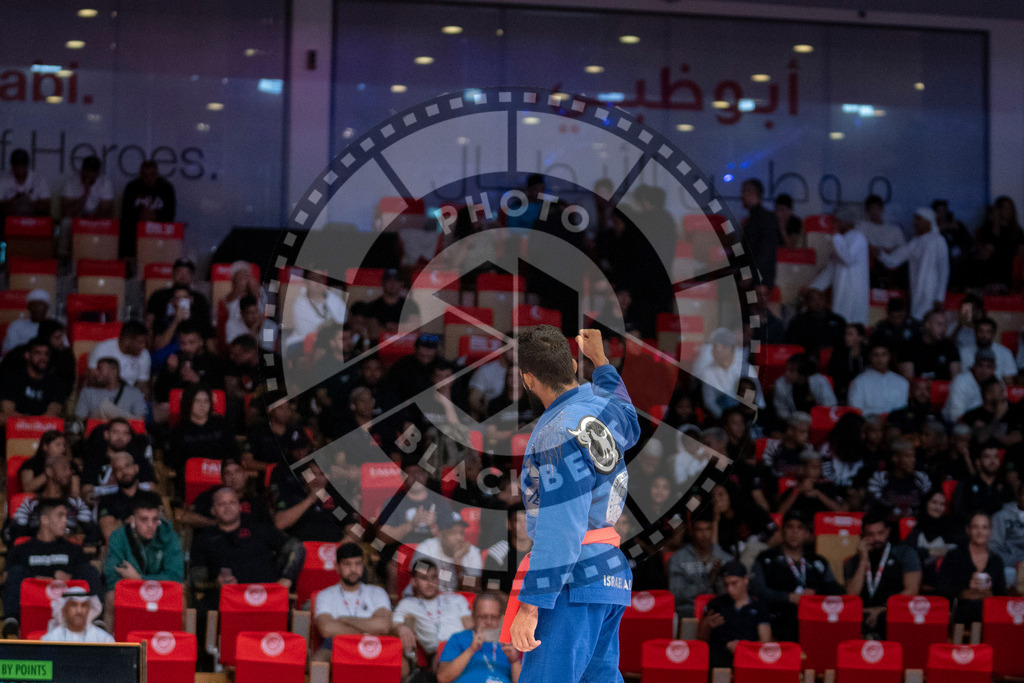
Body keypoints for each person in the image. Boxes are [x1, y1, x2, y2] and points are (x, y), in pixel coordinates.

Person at [502, 326, 640, 683]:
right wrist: (602, 362)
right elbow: (630, 420)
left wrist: (531, 606)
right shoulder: (598, 405)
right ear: (573, 363)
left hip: (573, 577)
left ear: (528, 379)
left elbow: (562, 528)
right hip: (609, 571)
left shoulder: (556, 433)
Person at [1, 499, 102, 636]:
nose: (65, 521)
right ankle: (12, 619)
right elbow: (9, 579)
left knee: (90, 570)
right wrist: (38, 580)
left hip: (66, 604)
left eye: (66, 516)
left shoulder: (74, 550)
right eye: (60, 515)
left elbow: (84, 577)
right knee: (15, 571)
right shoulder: (20, 550)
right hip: (32, 604)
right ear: (45, 520)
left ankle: (96, 619)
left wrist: (69, 579)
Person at [188, 488, 305, 592]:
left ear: (240, 507)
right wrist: (216, 585)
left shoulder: (259, 528)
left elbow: (296, 546)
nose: (227, 507)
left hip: (267, 601)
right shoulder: (203, 539)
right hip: (227, 604)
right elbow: (195, 581)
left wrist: (286, 578)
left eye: (232, 502)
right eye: (221, 504)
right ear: (213, 510)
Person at [750, 511, 842, 642]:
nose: (794, 532)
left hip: (815, 617)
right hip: (779, 617)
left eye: (800, 527)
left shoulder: (818, 561)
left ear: (806, 534)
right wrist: (788, 597)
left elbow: (835, 589)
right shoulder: (766, 559)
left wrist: (815, 595)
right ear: (783, 531)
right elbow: (757, 590)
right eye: (790, 527)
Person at [103, 491, 184, 623]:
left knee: (181, 599)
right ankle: (112, 643)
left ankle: (178, 643)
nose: (150, 525)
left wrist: (139, 578)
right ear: (132, 519)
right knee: (111, 597)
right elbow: (112, 578)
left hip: (161, 591)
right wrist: (136, 585)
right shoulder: (118, 537)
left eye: (155, 519)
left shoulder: (169, 535)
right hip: (130, 591)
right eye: (144, 519)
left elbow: (176, 577)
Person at [311, 543, 393, 662]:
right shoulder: (325, 595)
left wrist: (344, 620)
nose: (353, 569)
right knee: (318, 661)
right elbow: (326, 629)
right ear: (338, 567)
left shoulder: (377, 592)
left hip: (372, 644)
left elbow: (383, 626)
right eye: (347, 564)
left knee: (402, 665)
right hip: (335, 644)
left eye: (358, 564)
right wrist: (367, 628)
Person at [843, 512, 921, 638]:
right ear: (862, 536)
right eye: (871, 535)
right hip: (863, 613)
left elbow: (912, 590)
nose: (877, 539)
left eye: (881, 533)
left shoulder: (905, 553)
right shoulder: (854, 561)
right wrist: (863, 559)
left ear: (888, 532)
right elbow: (851, 595)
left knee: (888, 619)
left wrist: (882, 609)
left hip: (893, 612)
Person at [393, 559, 473, 664]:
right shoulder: (407, 604)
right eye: (423, 578)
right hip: (438, 654)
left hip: (465, 647)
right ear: (414, 581)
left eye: (433, 577)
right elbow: (393, 625)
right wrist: (400, 628)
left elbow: (469, 625)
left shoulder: (456, 599)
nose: (430, 583)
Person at [877, 208, 949, 321]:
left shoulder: (938, 240)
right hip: (916, 291)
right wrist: (879, 253)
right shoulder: (914, 243)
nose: (915, 223)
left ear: (928, 221)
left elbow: (944, 270)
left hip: (932, 291)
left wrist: (939, 297)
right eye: (915, 220)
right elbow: (893, 260)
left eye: (918, 220)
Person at [698, 561, 772, 669]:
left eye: (734, 583)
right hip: (719, 658)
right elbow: (701, 641)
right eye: (726, 584)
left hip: (749, 657)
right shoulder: (715, 604)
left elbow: (765, 641)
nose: (729, 589)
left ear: (745, 580)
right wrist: (707, 626)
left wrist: (743, 647)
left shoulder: (759, 606)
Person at [8, 449, 94, 543]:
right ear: (49, 471)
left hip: (67, 552)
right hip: (37, 553)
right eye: (64, 468)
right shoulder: (31, 504)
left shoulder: (75, 503)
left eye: (69, 469)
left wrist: (82, 537)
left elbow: (94, 534)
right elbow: (12, 534)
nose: (69, 473)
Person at [937, 512, 1006, 625]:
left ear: (990, 531)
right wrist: (965, 590)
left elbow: (1001, 594)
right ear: (968, 530)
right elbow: (942, 588)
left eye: (984, 527)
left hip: (989, 612)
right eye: (975, 527)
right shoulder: (954, 556)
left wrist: (989, 591)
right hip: (960, 610)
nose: (980, 532)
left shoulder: (996, 561)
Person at [439, 593, 522, 683]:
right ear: (473, 616)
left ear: (500, 618)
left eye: (493, 617)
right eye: (483, 617)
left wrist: (514, 661)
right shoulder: (458, 639)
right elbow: (443, 678)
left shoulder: (508, 644)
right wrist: (471, 650)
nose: (488, 622)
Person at [669, 512, 734, 618]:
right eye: (699, 530)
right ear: (692, 531)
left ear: (713, 530)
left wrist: (717, 579)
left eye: (708, 529)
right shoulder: (678, 559)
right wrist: (707, 581)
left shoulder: (726, 559)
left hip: (721, 613)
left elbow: (733, 595)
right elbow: (676, 595)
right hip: (689, 613)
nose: (704, 534)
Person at [809, 214, 870, 325]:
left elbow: (848, 258)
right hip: (840, 293)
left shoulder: (858, 237)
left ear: (849, 222)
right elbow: (831, 270)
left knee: (853, 326)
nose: (835, 223)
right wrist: (814, 288)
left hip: (854, 294)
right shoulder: (840, 239)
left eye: (838, 220)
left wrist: (836, 236)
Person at [165, 384, 237, 475]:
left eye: (206, 401)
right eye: (197, 401)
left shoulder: (221, 425)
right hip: (192, 476)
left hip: (221, 475)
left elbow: (233, 451)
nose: (202, 405)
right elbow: (173, 461)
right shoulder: (179, 431)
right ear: (189, 402)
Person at [184, 456, 271, 530]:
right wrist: (214, 523)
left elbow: (268, 527)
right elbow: (187, 517)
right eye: (228, 473)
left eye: (237, 471)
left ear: (245, 475)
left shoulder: (257, 501)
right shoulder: (209, 496)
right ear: (222, 479)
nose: (233, 477)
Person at [0, 337, 68, 426]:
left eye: (46, 354)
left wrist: (31, 423)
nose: (43, 357)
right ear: (27, 355)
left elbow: (53, 413)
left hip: (44, 430)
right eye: (38, 353)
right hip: (15, 427)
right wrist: (29, 422)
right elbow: (8, 411)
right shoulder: (13, 379)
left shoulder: (55, 382)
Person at [413, 510, 484, 593]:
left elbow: (472, 589)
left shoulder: (472, 552)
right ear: (440, 535)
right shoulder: (425, 549)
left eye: (461, 533)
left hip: (456, 601)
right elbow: (420, 584)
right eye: (453, 533)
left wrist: (458, 563)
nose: (459, 538)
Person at [904, 490, 960, 591]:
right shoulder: (919, 527)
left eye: (942, 504)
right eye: (934, 502)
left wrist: (946, 552)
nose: (938, 507)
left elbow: (961, 548)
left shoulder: (951, 526)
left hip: (946, 580)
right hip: (921, 579)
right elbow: (906, 549)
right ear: (926, 503)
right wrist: (929, 552)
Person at [145, 258, 212, 341]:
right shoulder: (158, 296)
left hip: (193, 345)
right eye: (179, 272)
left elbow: (207, 329)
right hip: (163, 344)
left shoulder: (200, 299)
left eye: (187, 273)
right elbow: (149, 323)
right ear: (173, 274)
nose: (183, 276)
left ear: (192, 277)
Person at [120, 159, 175, 258]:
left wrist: (154, 216)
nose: (148, 178)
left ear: (157, 174)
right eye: (145, 175)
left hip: (159, 234)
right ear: (141, 174)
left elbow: (170, 215)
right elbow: (126, 214)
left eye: (152, 175)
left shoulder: (166, 188)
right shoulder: (132, 187)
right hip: (135, 234)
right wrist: (141, 216)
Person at [866, 439, 933, 519]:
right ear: (895, 458)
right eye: (908, 456)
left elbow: (929, 505)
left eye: (913, 456)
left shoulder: (921, 478)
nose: (913, 460)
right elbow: (872, 506)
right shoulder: (880, 478)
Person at [96, 451, 156, 540]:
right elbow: (108, 533)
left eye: (127, 466)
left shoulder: (150, 498)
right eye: (118, 469)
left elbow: (162, 528)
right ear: (113, 474)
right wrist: (129, 521)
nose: (124, 471)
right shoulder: (107, 501)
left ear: (136, 468)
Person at [285, 269, 347, 348]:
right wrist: (325, 327)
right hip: (303, 342)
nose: (318, 281)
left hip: (333, 342)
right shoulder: (299, 304)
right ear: (306, 282)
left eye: (321, 278)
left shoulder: (336, 301)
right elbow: (305, 332)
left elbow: (342, 326)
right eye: (313, 278)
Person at [87, 320, 151, 393]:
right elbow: (91, 380)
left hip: (129, 396)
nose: (143, 346)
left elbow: (142, 384)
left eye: (144, 342)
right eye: (140, 342)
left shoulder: (144, 354)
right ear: (127, 340)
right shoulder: (102, 349)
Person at [75, 357, 147, 420]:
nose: (96, 372)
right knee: (103, 407)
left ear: (113, 371)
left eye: (99, 369)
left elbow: (140, 422)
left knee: (105, 407)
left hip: (125, 432)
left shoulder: (133, 393)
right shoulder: (87, 392)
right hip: (98, 432)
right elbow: (80, 419)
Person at [740, 178, 780, 290]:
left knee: (756, 307)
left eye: (744, 192)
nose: (742, 196)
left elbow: (765, 252)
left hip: (760, 281)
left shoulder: (767, 218)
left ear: (752, 193)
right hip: (753, 278)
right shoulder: (751, 219)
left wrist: (750, 275)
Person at [848, 344, 910, 416]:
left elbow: (902, 409)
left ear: (889, 356)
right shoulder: (859, 382)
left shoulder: (902, 382)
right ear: (870, 357)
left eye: (884, 354)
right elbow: (855, 410)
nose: (880, 359)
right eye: (876, 355)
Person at [772, 353, 836, 422]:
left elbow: (830, 404)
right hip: (792, 422)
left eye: (792, 371)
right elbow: (782, 411)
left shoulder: (820, 381)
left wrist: (815, 420)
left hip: (818, 421)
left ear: (802, 373)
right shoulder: (780, 384)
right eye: (787, 369)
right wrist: (797, 421)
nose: (787, 373)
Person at [899, 310, 961, 381]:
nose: (943, 329)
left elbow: (956, 378)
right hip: (919, 389)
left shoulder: (950, 346)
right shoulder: (909, 346)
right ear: (927, 325)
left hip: (944, 389)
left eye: (945, 325)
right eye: (939, 324)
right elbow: (908, 380)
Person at [785, 288, 848, 355]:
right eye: (813, 300)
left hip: (835, 358)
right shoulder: (798, 321)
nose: (817, 302)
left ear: (825, 300)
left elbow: (846, 341)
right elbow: (791, 342)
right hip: (806, 359)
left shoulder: (838, 320)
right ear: (807, 303)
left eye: (820, 299)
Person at [40, 587, 113, 643]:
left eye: (83, 606)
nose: (79, 611)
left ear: (89, 610)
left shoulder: (104, 640)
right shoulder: (50, 640)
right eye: (74, 605)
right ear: (64, 610)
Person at [945, 349, 999, 422]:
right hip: (956, 424)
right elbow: (956, 416)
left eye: (988, 367)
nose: (984, 370)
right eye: (980, 366)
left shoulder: (997, 383)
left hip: (985, 424)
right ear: (974, 366)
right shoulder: (961, 381)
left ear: (994, 369)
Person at [959, 317, 1018, 383]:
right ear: (975, 333)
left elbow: (1009, 382)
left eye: (988, 332)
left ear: (993, 334)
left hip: (995, 391)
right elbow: (959, 378)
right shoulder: (963, 352)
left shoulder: (1005, 353)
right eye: (981, 331)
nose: (984, 335)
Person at [365, 268, 420, 333]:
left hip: (403, 342)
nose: (392, 283)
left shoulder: (410, 306)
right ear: (383, 283)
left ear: (401, 284)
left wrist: (393, 327)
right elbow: (371, 331)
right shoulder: (373, 306)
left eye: (396, 280)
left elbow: (415, 330)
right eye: (389, 280)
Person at [0, 148, 50, 217]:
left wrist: (30, 202)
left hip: (33, 218)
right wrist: (12, 202)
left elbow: (47, 206)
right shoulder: (3, 179)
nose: (19, 168)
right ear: (12, 166)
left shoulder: (39, 179)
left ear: (27, 165)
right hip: (10, 218)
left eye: (22, 165)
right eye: (17, 165)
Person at [991, 484, 1024, 587]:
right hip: (1010, 566)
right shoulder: (1001, 516)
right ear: (1019, 496)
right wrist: (1017, 563)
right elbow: (993, 547)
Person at [2, 289, 53, 355]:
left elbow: (61, 348)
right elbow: (8, 350)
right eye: (34, 305)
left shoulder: (53, 327)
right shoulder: (16, 326)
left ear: (47, 307)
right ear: (28, 307)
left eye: (40, 305)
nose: (37, 308)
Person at [827, 322, 867, 403]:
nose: (846, 337)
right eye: (846, 334)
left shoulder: (867, 354)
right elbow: (834, 373)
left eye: (850, 334)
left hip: (865, 389)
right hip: (843, 391)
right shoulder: (839, 353)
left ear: (860, 337)